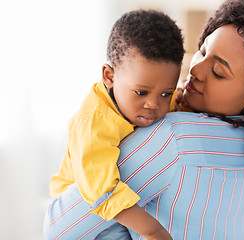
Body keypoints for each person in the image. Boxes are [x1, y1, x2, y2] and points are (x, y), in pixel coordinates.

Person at [44, 0, 244, 239]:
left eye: (218, 71)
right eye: (202, 50)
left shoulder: (172, 137)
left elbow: (59, 228)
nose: (196, 70)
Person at [45, 9, 184, 240]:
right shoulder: (93, 122)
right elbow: (101, 191)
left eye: (165, 94)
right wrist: (154, 231)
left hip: (123, 203)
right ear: (109, 76)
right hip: (83, 209)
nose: (153, 104)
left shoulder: (151, 103)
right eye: (141, 92)